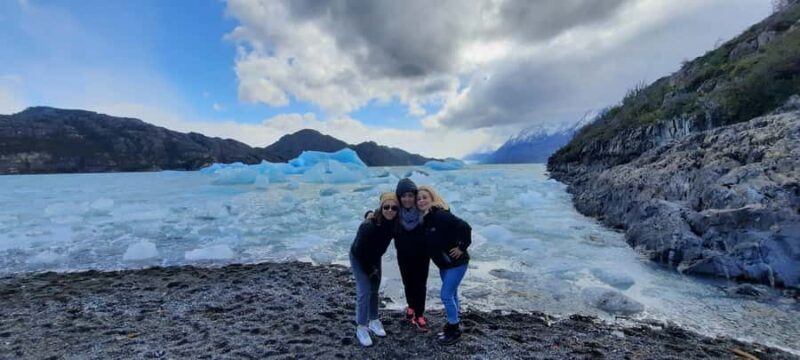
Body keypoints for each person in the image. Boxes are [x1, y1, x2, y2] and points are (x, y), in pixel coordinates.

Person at [417, 185, 471, 345]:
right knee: (452, 294)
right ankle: (454, 322)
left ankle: (454, 328)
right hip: (444, 264)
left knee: (446, 295)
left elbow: (465, 227)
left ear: (432, 198)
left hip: (457, 263)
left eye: (424, 197)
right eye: (419, 199)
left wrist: (462, 247)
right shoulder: (426, 219)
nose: (421, 201)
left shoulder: (440, 215)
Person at [349, 192, 399, 347]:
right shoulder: (368, 226)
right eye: (386, 207)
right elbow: (359, 250)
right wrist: (371, 269)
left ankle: (374, 320)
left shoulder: (395, 223)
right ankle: (361, 327)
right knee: (364, 290)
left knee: (374, 290)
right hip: (359, 257)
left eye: (394, 207)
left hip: (375, 257)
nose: (390, 210)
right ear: (381, 207)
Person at [393, 178, 430, 332]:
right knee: (408, 283)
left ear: (415, 196)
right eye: (403, 196)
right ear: (399, 198)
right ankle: (411, 307)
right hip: (403, 256)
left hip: (422, 256)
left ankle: (420, 314)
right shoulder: (395, 214)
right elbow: (380, 212)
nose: (407, 199)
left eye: (410, 195)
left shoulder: (424, 213)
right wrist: (368, 213)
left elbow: (445, 219)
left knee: (420, 285)